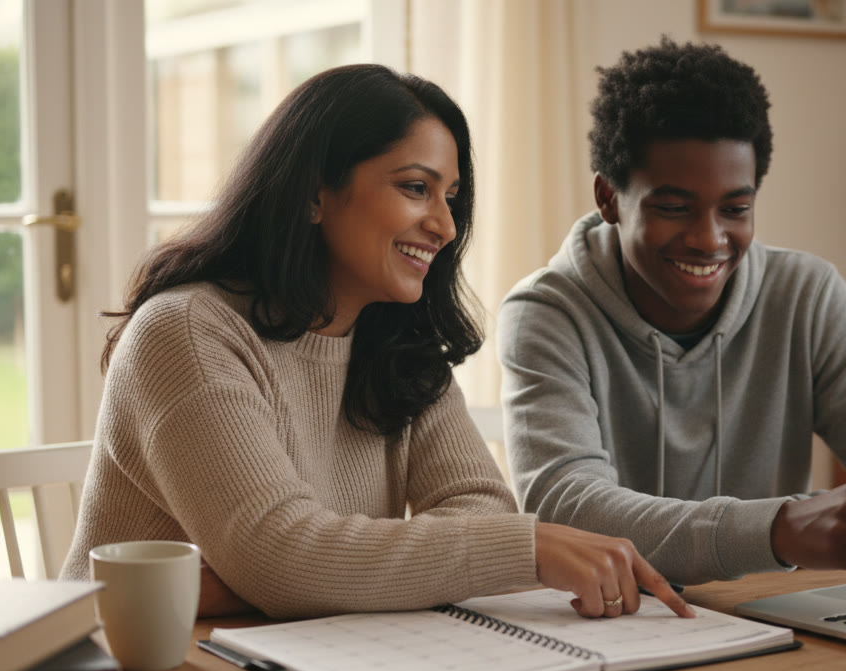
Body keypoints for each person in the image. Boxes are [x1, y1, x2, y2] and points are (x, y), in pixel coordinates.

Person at [60, 64, 692, 621]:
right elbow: (281, 555)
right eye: (415, 188)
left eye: (451, 197)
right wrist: (519, 549)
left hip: (307, 659)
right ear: (313, 192)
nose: (445, 225)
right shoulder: (187, 333)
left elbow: (479, 506)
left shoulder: (397, 338)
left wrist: (276, 578)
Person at [496, 40, 846, 587]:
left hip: (770, 614)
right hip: (614, 624)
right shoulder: (547, 313)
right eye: (674, 208)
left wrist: (822, 523)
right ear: (609, 199)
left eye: (736, 209)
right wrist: (779, 529)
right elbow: (566, 509)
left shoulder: (806, 296)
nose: (709, 238)